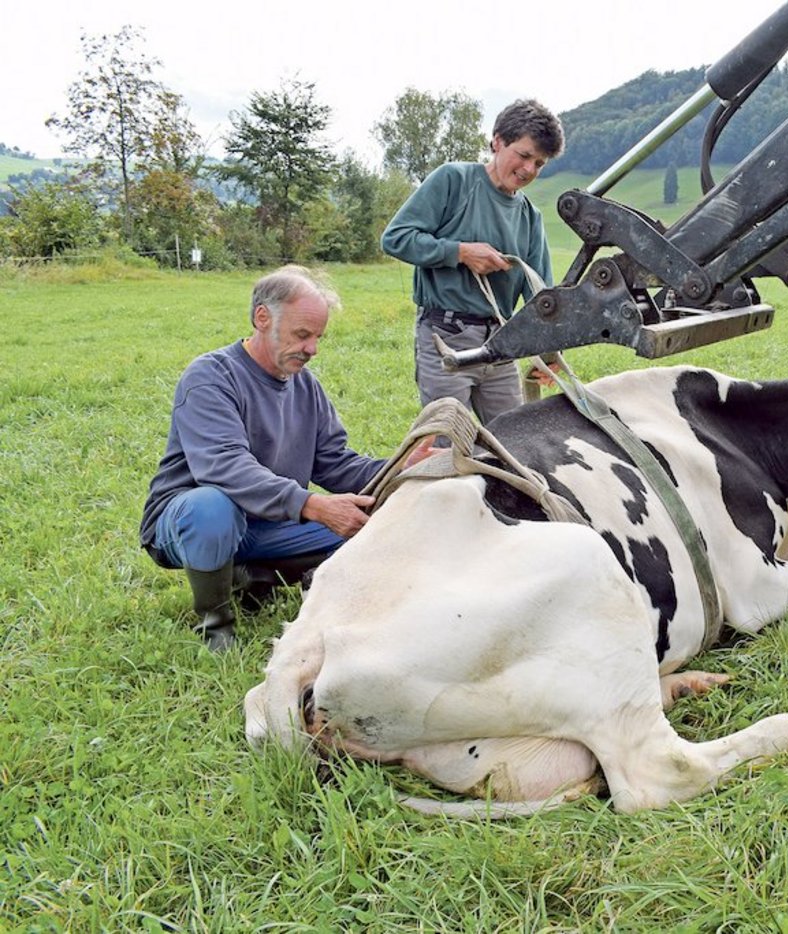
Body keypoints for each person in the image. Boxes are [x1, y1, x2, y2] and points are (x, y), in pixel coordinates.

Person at [139, 265, 424, 652]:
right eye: (302, 335)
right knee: (212, 507)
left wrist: (402, 467)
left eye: (318, 337)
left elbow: (335, 463)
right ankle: (216, 625)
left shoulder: (305, 386)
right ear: (262, 318)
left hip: (270, 522)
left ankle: (254, 576)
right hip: (193, 520)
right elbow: (224, 468)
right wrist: (311, 505)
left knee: (372, 523)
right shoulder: (210, 377)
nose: (312, 349)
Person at [381, 98, 565, 424]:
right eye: (523, 155)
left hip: (501, 343)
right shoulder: (453, 180)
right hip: (446, 337)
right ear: (497, 141)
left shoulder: (529, 217)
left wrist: (550, 352)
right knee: (449, 442)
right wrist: (460, 252)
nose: (528, 170)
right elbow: (396, 238)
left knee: (515, 443)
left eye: (539, 164)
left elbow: (541, 296)